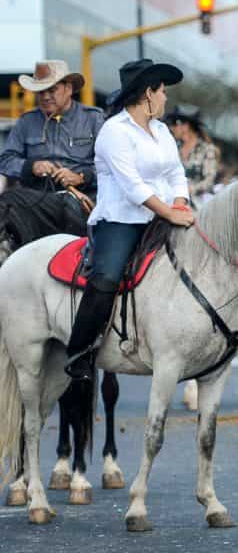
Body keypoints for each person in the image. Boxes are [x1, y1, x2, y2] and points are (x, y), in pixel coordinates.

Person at [63, 59, 195, 381]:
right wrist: (171, 214)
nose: (166, 98)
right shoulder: (114, 132)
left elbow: (177, 172)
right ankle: (79, 353)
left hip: (165, 215)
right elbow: (133, 186)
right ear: (148, 94)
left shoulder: (162, 130)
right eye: (162, 91)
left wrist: (180, 202)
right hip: (122, 220)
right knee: (106, 277)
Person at [0, 60, 103, 246]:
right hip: (39, 200)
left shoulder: (94, 119)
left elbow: (112, 166)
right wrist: (32, 166)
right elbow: (5, 160)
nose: (45, 96)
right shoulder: (26, 122)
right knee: (7, 202)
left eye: (52, 90)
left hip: (82, 200)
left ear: (69, 88)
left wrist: (81, 176)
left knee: (68, 206)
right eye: (40, 92)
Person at [166, 104, 219, 207]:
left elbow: (209, 180)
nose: (171, 127)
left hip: (199, 204)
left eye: (174, 123)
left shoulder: (207, 149)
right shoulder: (173, 147)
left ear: (186, 126)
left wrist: (191, 189)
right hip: (173, 201)